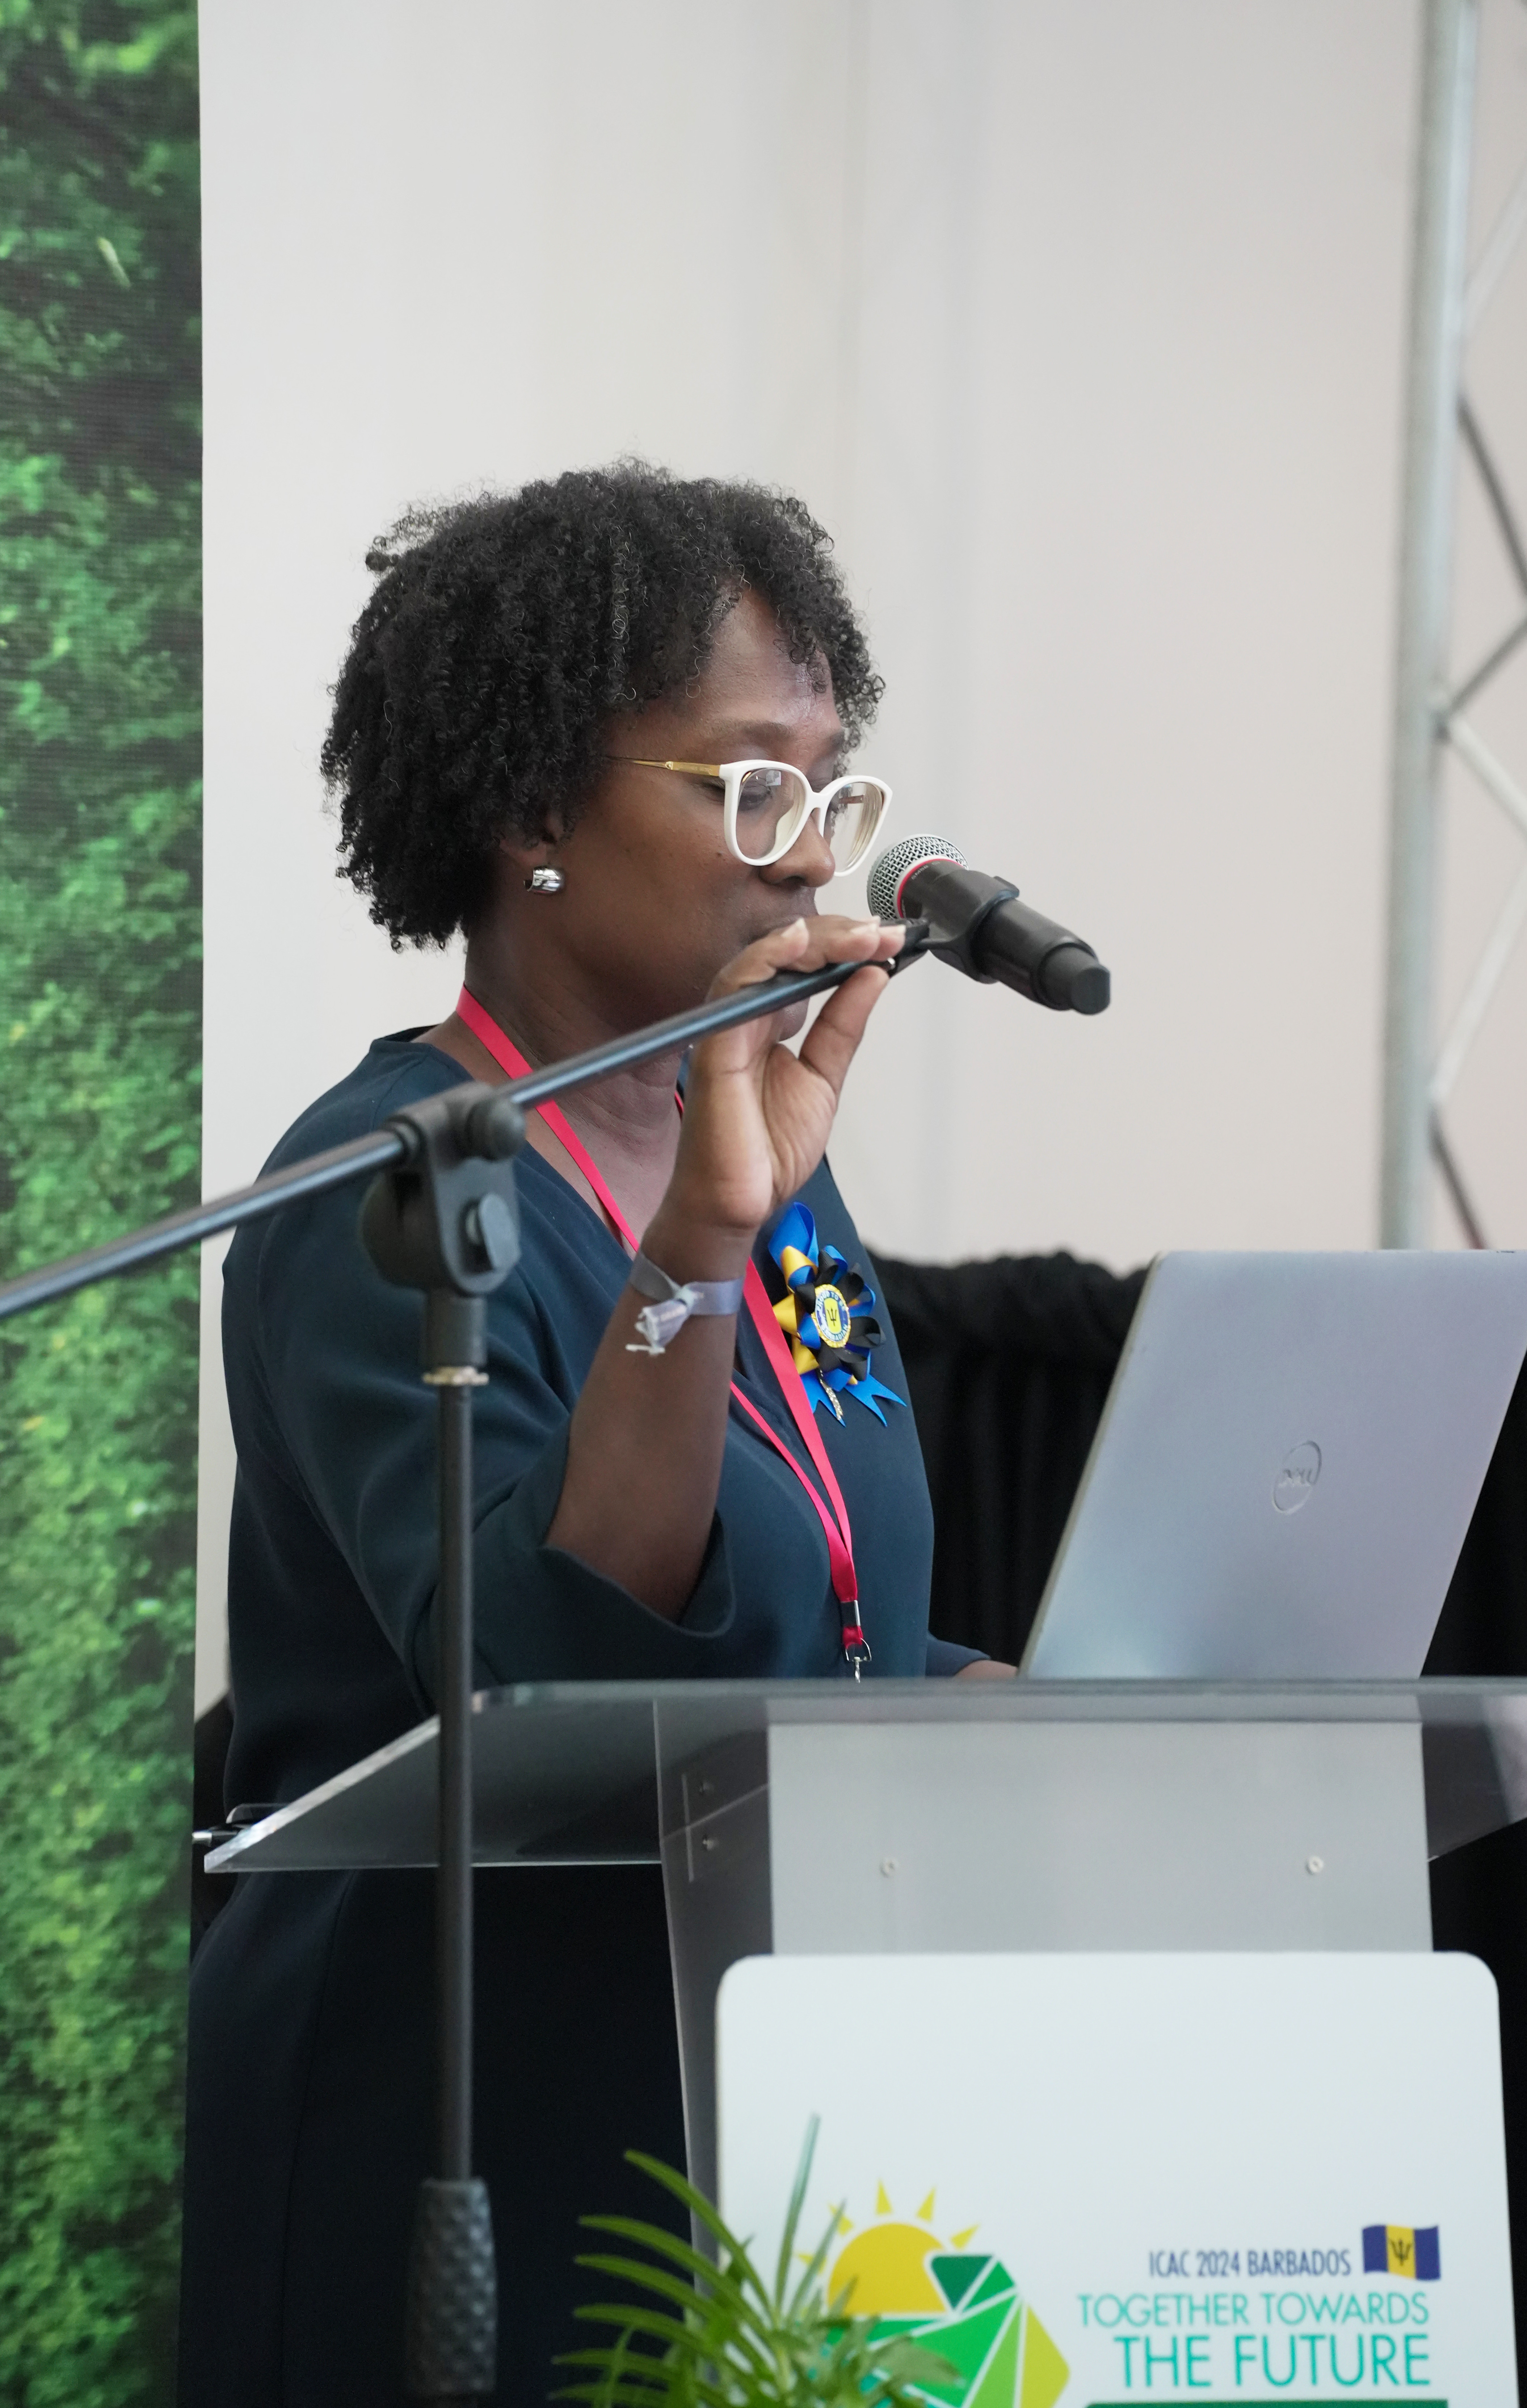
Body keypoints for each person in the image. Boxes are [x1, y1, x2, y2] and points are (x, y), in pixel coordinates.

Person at [181, 464, 1011, 2408]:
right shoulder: (390, 1190)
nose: (808, 861)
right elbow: (547, 1665)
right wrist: (698, 1247)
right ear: (534, 812)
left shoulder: (778, 1173)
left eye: (834, 792)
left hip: (756, 2090)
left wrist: (987, 1703)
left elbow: (826, 1599)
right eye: (750, 787)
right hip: (464, 2130)